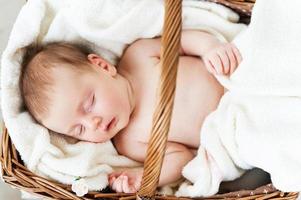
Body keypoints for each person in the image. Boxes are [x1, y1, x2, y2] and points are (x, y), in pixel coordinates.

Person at [20, 30, 242, 193]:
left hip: (233, 72)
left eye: (89, 104)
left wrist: (209, 48)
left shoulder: (138, 56)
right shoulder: (129, 142)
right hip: (234, 125)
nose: (93, 122)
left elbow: (181, 42)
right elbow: (180, 158)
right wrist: (142, 177)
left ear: (103, 66)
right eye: (79, 129)